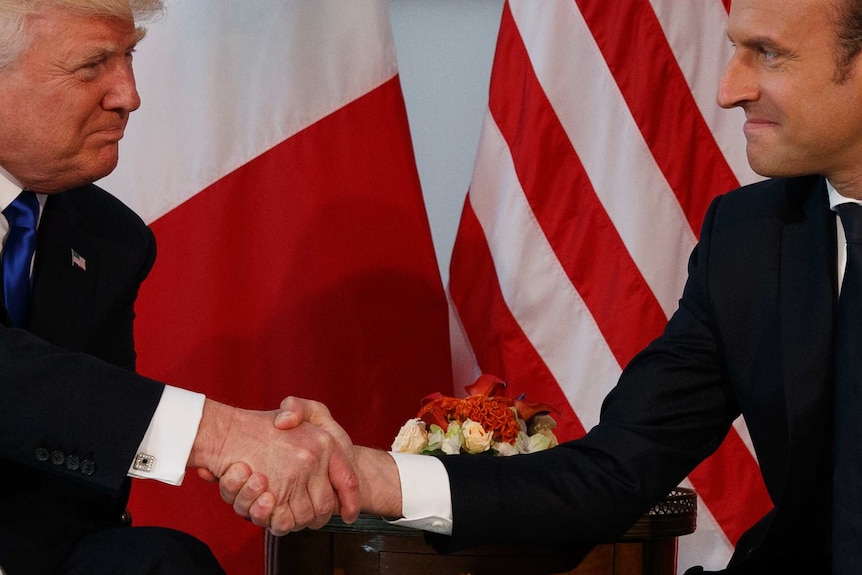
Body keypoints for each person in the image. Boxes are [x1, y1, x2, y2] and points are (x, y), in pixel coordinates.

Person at [224, 0, 862, 571]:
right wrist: (371, 474)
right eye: (734, 50)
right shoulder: (751, 239)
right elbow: (610, 474)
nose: (728, 90)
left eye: (769, 54)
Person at [0, 2, 359, 574]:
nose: (128, 95)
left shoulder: (111, 240)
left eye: (130, 56)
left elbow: (80, 480)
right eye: (93, 66)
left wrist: (276, 459)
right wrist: (217, 435)